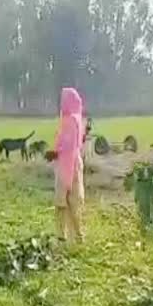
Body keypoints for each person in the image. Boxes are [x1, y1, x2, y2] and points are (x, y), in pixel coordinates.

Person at [45, 88, 86, 243]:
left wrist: (55, 154)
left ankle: (65, 236)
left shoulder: (70, 121)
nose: (61, 104)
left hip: (68, 165)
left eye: (63, 100)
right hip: (71, 163)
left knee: (63, 201)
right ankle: (77, 236)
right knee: (72, 202)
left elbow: (68, 145)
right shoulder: (76, 119)